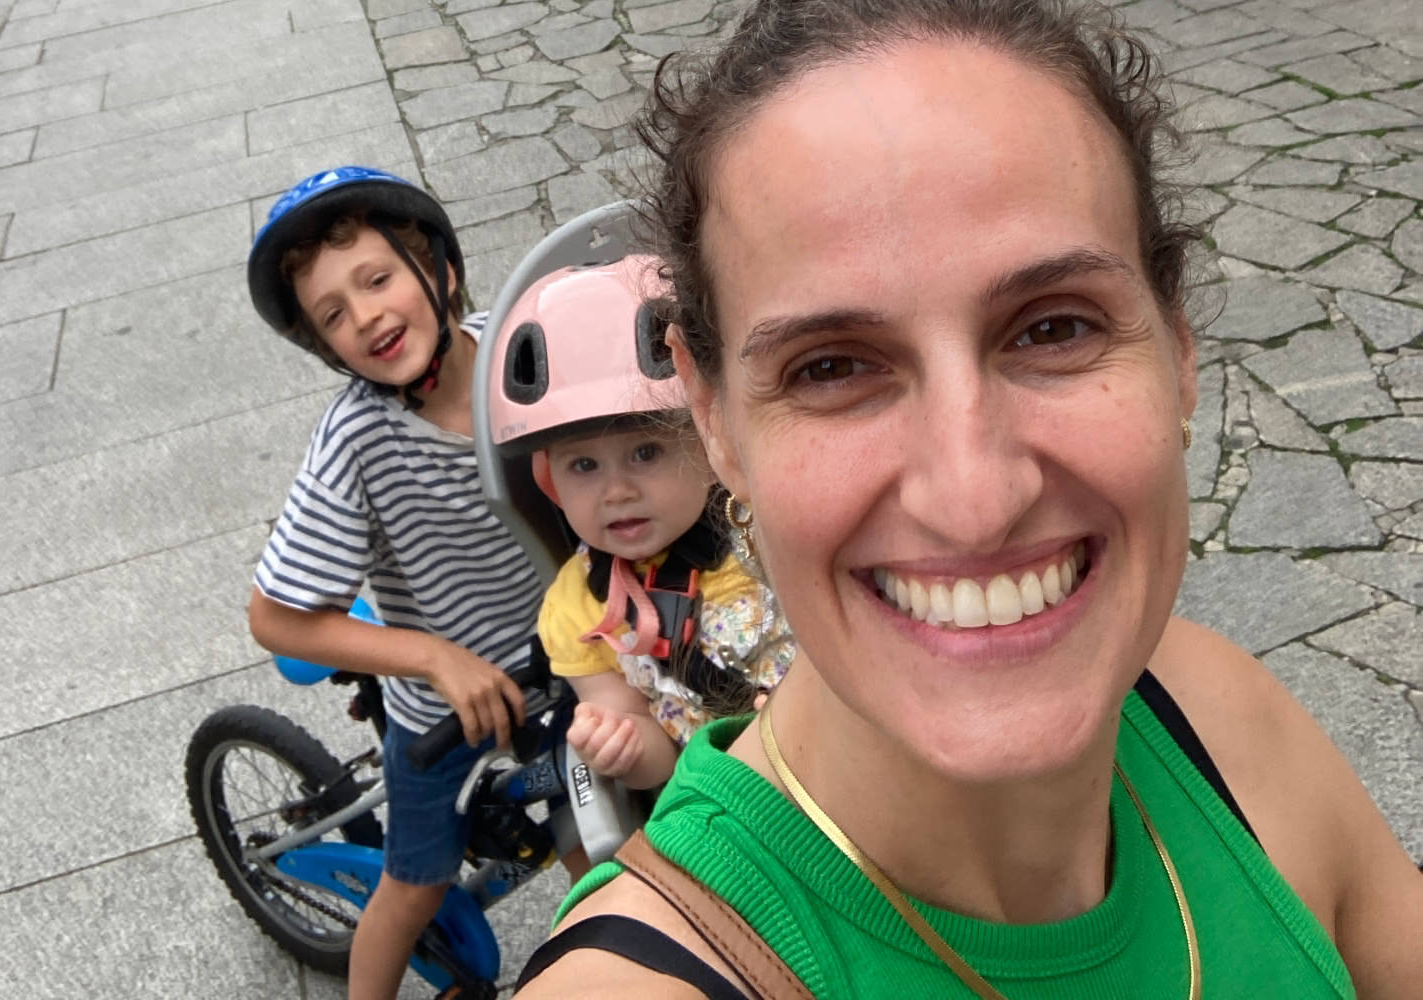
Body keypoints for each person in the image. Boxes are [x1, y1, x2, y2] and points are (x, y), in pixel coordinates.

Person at [513, 1, 1423, 997]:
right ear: (714, 417)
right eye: (831, 367)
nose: (975, 499)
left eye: (1054, 329)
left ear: (1179, 347)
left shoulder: (1220, 716)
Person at [243, 166, 575, 1000]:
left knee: (603, 853)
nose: (365, 316)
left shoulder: (523, 351)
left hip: (569, 663)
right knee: (416, 884)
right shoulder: (357, 439)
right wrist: (432, 658)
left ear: (442, 271)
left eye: (377, 279)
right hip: (445, 711)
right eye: (333, 315)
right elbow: (275, 617)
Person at [486, 256, 791, 790]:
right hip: (733, 800)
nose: (617, 491)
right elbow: (660, 763)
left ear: (710, 444)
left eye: (646, 452)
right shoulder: (577, 610)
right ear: (549, 481)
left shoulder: (767, 528)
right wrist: (621, 746)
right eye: (584, 466)